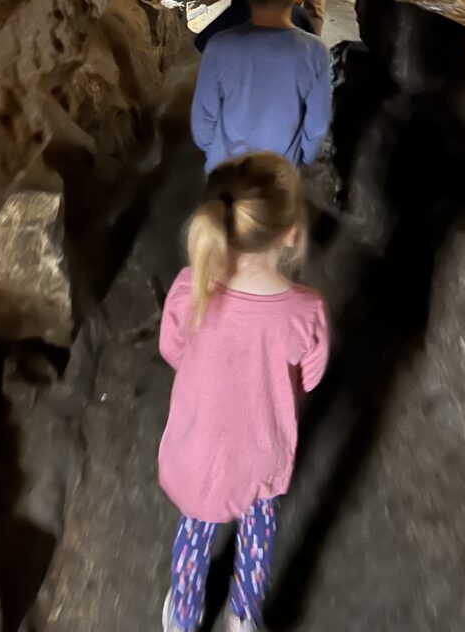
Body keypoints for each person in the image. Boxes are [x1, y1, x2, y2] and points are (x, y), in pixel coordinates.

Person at [158, 152, 330, 632]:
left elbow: (173, 349)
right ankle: (244, 617)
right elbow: (310, 377)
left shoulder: (189, 286)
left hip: (197, 451)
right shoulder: (306, 311)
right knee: (258, 533)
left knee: (194, 534)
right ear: (290, 233)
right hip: (261, 452)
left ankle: (185, 618)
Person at [190, 0, 331, 173]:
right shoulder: (316, 53)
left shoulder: (220, 46)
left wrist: (214, 151)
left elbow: (203, 118)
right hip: (280, 176)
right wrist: (302, 158)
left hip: (225, 171)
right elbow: (316, 126)